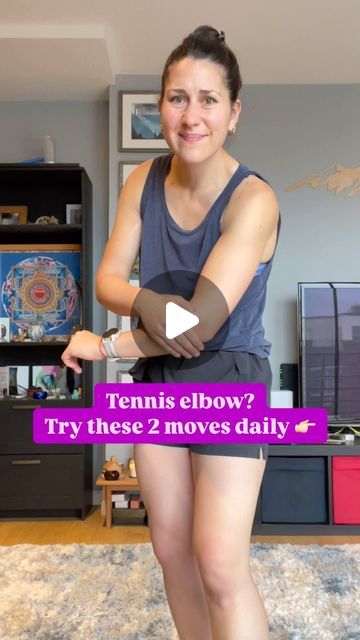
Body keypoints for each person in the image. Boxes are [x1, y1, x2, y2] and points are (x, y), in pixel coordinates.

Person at [62, 25, 280, 640]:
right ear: (161, 106)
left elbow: (201, 328)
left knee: (217, 561)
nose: (192, 115)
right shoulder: (143, 182)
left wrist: (103, 344)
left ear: (234, 112)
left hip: (228, 380)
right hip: (157, 382)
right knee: (172, 553)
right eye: (177, 97)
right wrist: (146, 300)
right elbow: (107, 279)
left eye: (209, 99)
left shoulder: (254, 201)